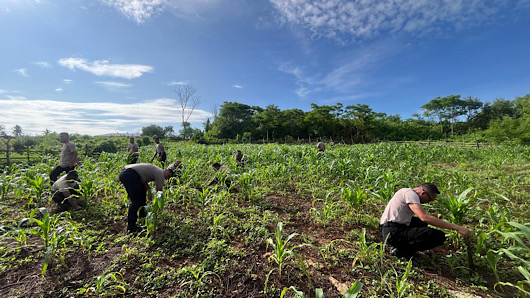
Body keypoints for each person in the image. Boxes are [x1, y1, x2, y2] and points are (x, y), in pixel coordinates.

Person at [380, 183, 470, 259]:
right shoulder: (410, 193)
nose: (428, 202)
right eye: (430, 199)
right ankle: (401, 251)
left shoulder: (406, 192)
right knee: (438, 236)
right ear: (423, 193)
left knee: (421, 223)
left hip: (389, 228)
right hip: (393, 232)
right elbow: (424, 217)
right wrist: (457, 228)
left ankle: (401, 247)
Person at [118, 162, 180, 233]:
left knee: (142, 195)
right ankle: (131, 227)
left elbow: (143, 180)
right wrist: (157, 205)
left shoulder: (155, 170)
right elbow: (158, 194)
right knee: (136, 200)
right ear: (165, 170)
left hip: (128, 172)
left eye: (169, 178)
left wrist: (149, 191)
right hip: (130, 174)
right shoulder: (160, 174)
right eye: (168, 176)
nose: (167, 178)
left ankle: (143, 217)